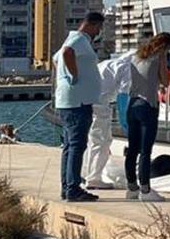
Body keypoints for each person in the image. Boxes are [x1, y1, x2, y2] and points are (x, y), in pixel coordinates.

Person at [53, 11, 106, 202]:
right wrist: (73, 76)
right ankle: (73, 189)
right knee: (77, 145)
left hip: (70, 100)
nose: (99, 32)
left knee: (69, 145)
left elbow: (55, 58)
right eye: (99, 28)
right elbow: (66, 54)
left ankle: (67, 187)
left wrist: (64, 78)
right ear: (92, 25)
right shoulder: (79, 40)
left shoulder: (72, 38)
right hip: (78, 102)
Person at [125, 32, 170, 202]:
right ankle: (145, 191)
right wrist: (164, 60)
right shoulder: (159, 57)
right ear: (166, 46)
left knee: (132, 149)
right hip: (148, 105)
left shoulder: (137, 56)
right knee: (146, 151)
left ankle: (132, 187)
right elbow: (166, 81)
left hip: (132, 105)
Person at [84, 49, 133, 190]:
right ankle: (94, 178)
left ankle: (88, 174)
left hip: (87, 100)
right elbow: (123, 97)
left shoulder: (109, 63)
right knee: (102, 141)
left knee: (92, 141)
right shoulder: (128, 69)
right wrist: (125, 123)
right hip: (99, 104)